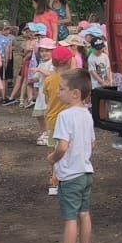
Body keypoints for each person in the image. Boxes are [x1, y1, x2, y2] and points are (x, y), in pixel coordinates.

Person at [40, 69, 95, 243]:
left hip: (70, 175)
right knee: (84, 213)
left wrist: (52, 159)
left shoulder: (65, 116)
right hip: (86, 172)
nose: (58, 93)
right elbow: (92, 143)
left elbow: (62, 146)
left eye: (62, 89)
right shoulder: (87, 115)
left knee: (70, 218)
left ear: (75, 94)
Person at [42, 45, 72, 195]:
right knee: (66, 150)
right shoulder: (72, 80)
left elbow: (47, 98)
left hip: (52, 119)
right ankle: (63, 179)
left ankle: (53, 181)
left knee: (53, 150)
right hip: (69, 122)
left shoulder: (48, 80)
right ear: (67, 62)